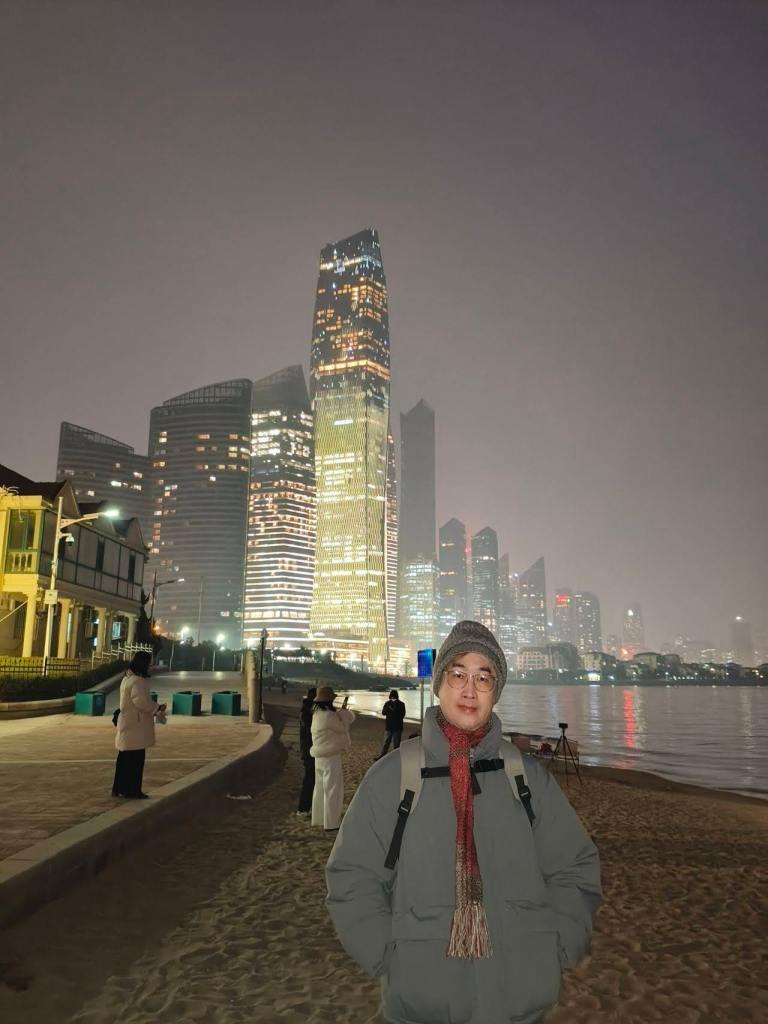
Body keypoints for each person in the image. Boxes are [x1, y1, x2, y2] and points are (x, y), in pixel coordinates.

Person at [326, 620, 602, 1024]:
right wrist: (388, 956)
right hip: (424, 1005)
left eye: (483, 677)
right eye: (458, 674)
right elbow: (353, 875)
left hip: (520, 1003)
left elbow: (574, 867)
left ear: (496, 691)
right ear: (440, 683)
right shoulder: (394, 777)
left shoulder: (525, 778)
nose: (469, 690)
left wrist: (555, 946)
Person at [112, 651, 167, 799]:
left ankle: (119, 788)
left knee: (124, 759)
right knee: (136, 761)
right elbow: (142, 702)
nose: (150, 666)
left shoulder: (127, 679)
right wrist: (157, 707)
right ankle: (132, 790)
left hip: (127, 723)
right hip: (136, 726)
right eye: (149, 663)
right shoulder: (138, 681)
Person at [311, 685, 355, 832]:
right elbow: (343, 728)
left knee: (319, 788)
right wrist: (344, 713)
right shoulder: (330, 716)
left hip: (319, 756)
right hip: (331, 756)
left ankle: (318, 818)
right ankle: (331, 823)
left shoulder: (316, 715)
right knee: (333, 789)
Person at [296, 685, 317, 816]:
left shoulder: (307, 710)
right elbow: (310, 730)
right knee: (310, 779)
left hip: (308, 749)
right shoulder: (307, 713)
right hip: (309, 750)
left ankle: (307, 807)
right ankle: (303, 808)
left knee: (311, 778)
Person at [379, 689, 406, 757]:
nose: (393, 698)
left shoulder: (401, 704)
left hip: (397, 727)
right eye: (392, 697)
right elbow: (383, 713)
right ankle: (382, 756)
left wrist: (394, 710)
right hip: (389, 726)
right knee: (386, 743)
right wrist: (388, 708)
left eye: (394, 697)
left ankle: (396, 757)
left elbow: (402, 715)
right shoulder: (387, 703)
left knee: (396, 744)